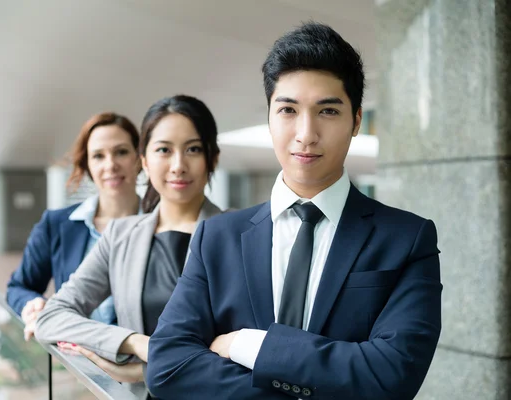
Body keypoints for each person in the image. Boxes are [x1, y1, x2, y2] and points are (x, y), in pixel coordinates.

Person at [146, 22, 442, 400]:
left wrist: (249, 346)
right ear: (269, 117)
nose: (305, 133)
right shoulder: (216, 237)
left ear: (355, 121)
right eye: (288, 109)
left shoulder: (406, 239)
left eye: (328, 111)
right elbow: (167, 365)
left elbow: (392, 376)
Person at [34, 94, 223, 400]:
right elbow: (51, 318)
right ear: (144, 161)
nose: (178, 165)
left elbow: (248, 350)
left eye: (193, 149)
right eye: (164, 150)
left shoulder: (240, 234)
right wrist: (133, 343)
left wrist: (146, 368)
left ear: (212, 158)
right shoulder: (121, 235)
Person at [6, 112, 141, 341]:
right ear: (87, 164)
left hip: (145, 363)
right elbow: (19, 286)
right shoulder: (56, 224)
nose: (110, 165)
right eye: (98, 155)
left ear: (139, 159)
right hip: (78, 362)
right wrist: (33, 305)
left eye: (121, 152)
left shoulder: (162, 224)